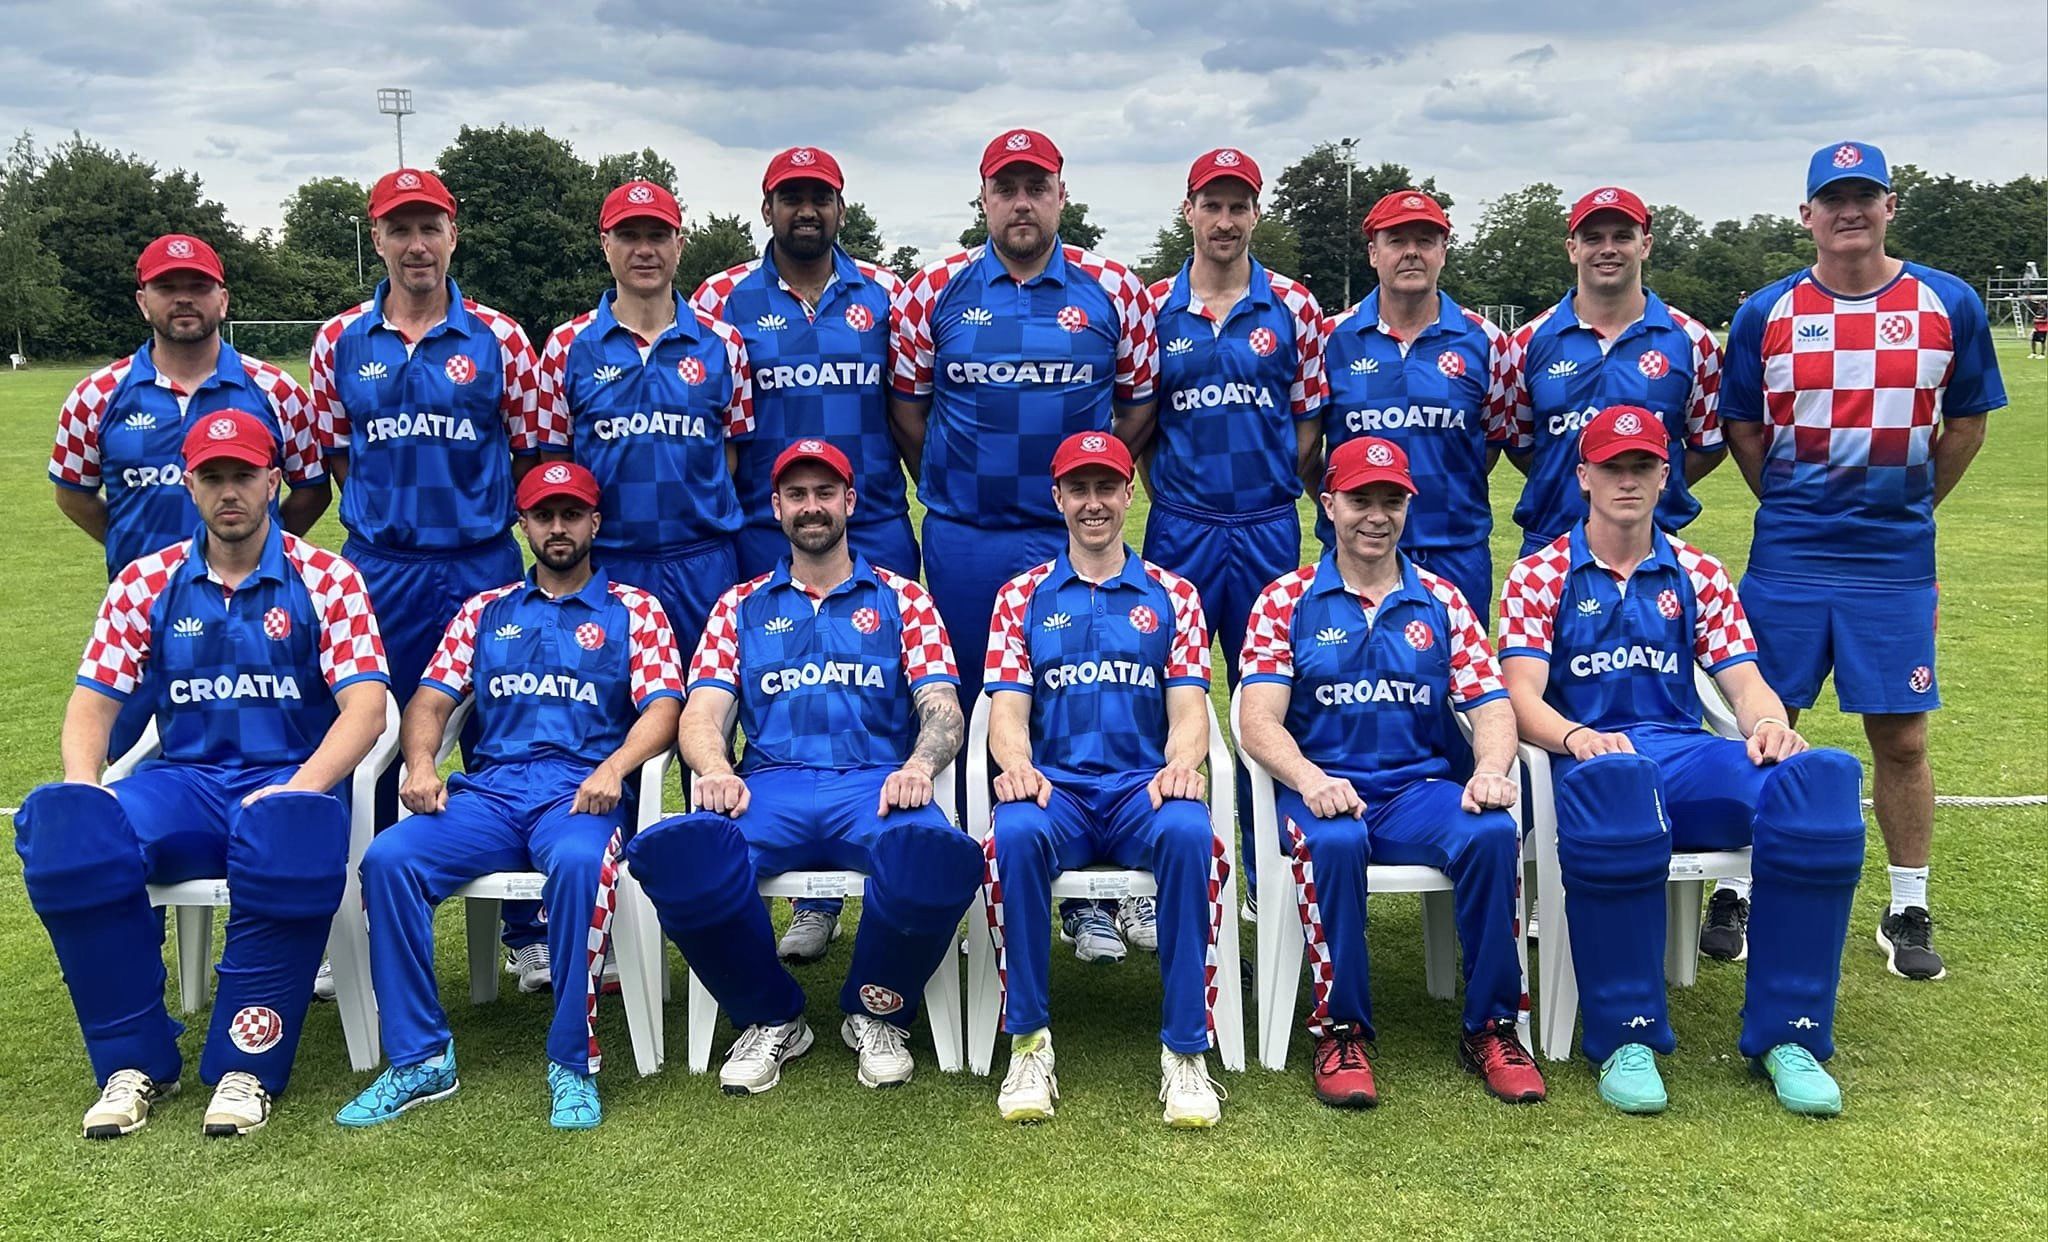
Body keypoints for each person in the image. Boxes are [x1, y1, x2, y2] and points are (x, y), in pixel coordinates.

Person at [16, 409, 389, 1139]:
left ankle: (247, 1066)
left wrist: (300, 787)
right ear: (189, 486)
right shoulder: (144, 581)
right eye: (212, 477)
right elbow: (92, 703)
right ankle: (132, 1063)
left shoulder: (328, 578)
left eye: (243, 475)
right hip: (184, 785)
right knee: (67, 825)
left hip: (289, 778)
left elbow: (366, 710)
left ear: (273, 482)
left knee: (289, 827)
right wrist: (84, 783)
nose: (229, 492)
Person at [1497, 404, 1867, 1116]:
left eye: (1642, 466)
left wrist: (1769, 725)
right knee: (1621, 787)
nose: (1627, 481)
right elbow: (1520, 696)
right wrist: (1576, 737)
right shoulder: (1540, 575)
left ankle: (1789, 1034)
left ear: (1665, 475)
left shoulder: (1697, 570)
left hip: (1682, 750)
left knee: (1817, 785)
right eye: (1612, 467)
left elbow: (1745, 682)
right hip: (1590, 761)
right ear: (1583, 476)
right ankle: (1627, 1036)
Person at [1720, 141, 2005, 981]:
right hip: (1789, 559)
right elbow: (1743, 427)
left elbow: (1968, 424)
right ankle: (1736, 886)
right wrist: (1794, 505)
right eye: (1832, 198)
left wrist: (1906, 507)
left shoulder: (1948, 301)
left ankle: (1907, 904)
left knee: (1902, 739)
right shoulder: (1765, 311)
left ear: (1889, 206)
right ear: (1806, 214)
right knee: (1761, 724)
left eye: (1864, 196)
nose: (1849, 211)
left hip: (1892, 564)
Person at [624, 439, 982, 1094]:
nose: (811, 507)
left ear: (850, 501)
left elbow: (943, 708)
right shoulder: (739, 606)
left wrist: (918, 766)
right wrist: (714, 769)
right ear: (776, 507)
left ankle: (877, 1010)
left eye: (824, 493)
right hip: (769, 786)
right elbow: (702, 713)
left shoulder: (904, 599)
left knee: (940, 857)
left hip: (875, 783)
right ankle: (769, 1015)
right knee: (677, 857)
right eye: (797, 495)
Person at [335, 462, 683, 1131]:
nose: (558, 528)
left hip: (580, 792)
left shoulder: (635, 609)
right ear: (523, 525)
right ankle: (421, 1058)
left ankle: (572, 1062)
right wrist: (421, 765)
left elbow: (664, 706)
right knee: (388, 859)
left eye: (571, 514)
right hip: (491, 794)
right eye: (544, 516)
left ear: (594, 523)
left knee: (580, 864)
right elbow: (430, 702)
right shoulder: (485, 611)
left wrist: (615, 767)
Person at [891, 129, 1158, 963]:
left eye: (1035, 187)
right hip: (967, 536)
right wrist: (955, 483)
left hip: (1067, 536)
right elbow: (909, 410)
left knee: (1082, 704)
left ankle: (1092, 898)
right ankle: (971, 887)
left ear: (1060, 196)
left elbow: (1137, 407)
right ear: (982, 198)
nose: (1021, 202)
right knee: (969, 709)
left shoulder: (1114, 288)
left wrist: (1081, 497)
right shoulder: (934, 288)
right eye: (1005, 188)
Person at [1237, 437, 1543, 1109]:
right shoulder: (1285, 599)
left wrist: (1491, 768)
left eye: (1391, 501)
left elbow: (1491, 705)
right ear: (1329, 506)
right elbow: (1257, 719)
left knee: (1493, 832)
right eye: (1360, 501)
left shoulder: (1442, 600)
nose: (1376, 517)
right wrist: (1310, 779)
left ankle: (1492, 1029)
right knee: (1335, 841)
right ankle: (1340, 1032)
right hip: (1320, 789)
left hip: (1414, 793)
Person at [308, 167, 551, 990]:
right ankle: (363, 923)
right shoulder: (339, 340)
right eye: (399, 229)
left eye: (430, 227)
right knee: (367, 738)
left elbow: (533, 457)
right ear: (376, 237)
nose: (416, 245)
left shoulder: (501, 338)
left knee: (505, 735)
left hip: (482, 563)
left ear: (453, 234)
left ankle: (527, 930)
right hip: (380, 568)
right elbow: (338, 456)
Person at [691, 147, 912, 964]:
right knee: (782, 699)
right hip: (765, 526)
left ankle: (896, 868)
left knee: (886, 694)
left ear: (841, 208)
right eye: (791, 198)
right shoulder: (720, 297)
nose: (806, 210)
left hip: (875, 519)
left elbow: (909, 408)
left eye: (820, 197)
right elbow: (714, 422)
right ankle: (807, 892)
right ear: (768, 208)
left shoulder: (887, 293)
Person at [983, 431, 1226, 1127]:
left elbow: (1190, 708)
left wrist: (1181, 766)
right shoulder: (1021, 596)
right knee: (1013, 834)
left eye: (1107, 488)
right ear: (1057, 497)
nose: (1094, 504)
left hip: (1139, 790)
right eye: (1079, 489)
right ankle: (1029, 1044)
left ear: (1129, 493)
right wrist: (1017, 766)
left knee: (1189, 831)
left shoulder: (1174, 594)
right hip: (1057, 790)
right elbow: (1007, 709)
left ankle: (1185, 1051)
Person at [50, 232, 329, 756]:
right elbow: (73, 494)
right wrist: (136, 552)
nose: (183, 299)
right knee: (129, 770)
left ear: (222, 299)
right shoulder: (94, 397)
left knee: (271, 761)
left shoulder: (276, 390)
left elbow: (312, 489)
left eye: (198, 287)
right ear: (143, 301)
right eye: (167, 287)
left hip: (258, 617)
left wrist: (255, 548)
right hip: (144, 619)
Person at [1144, 148, 1323, 916]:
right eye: (1211, 204)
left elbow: (1307, 426)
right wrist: (1175, 494)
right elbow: (1139, 424)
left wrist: (1266, 487)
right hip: (1180, 527)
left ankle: (1267, 873)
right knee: (1157, 691)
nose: (1224, 220)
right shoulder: (1151, 307)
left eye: (1237, 205)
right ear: (1188, 210)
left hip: (1265, 527)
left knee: (1270, 697)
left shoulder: (1294, 306)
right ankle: (1157, 867)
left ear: (1255, 212)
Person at [535, 178, 751, 664]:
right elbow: (556, 463)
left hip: (703, 561)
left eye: (657, 235)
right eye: (629, 236)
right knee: (610, 702)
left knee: (710, 698)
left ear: (680, 244)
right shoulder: (566, 346)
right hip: (608, 564)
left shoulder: (724, 343)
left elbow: (731, 452)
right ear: (605, 244)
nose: (644, 250)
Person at [1502, 186, 1725, 555]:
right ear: (1572, 249)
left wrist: (1646, 487)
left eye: (1622, 236)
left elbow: (1708, 446)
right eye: (1593, 238)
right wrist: (1580, 485)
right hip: (1551, 544)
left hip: (1653, 548)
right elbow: (1521, 446)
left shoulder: (1693, 340)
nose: (1608, 248)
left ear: (1645, 245)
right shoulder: (1525, 343)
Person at [1320, 189, 1509, 620]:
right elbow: (1312, 446)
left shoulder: (1486, 340)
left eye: (1425, 241)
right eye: (1396, 241)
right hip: (1354, 551)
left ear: (1443, 251)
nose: (1411, 253)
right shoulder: (1330, 339)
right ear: (1373, 253)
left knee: (1459, 664)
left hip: (1456, 550)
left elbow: (1492, 442)